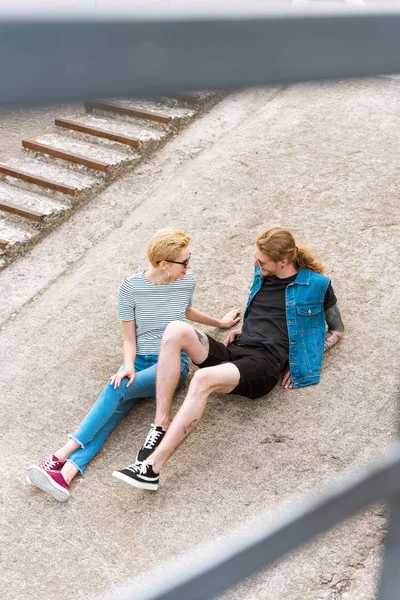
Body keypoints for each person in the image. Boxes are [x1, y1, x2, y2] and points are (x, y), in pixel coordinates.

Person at [113, 226, 345, 491]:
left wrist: (299, 361)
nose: (256, 264)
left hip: (264, 364)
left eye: (262, 261)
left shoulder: (317, 285)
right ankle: (161, 423)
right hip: (239, 349)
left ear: (284, 260)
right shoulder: (262, 273)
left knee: (201, 379)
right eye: (256, 257)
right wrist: (246, 329)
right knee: (175, 329)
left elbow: (336, 330)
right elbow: (264, 311)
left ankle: (152, 468)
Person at [27, 228, 240, 501]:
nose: (189, 267)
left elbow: (185, 311)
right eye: (184, 262)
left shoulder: (187, 281)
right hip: (137, 361)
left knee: (115, 390)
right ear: (164, 264)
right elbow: (129, 338)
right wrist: (128, 365)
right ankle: (65, 475)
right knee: (112, 410)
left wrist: (220, 323)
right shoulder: (131, 287)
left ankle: (58, 456)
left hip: (172, 365)